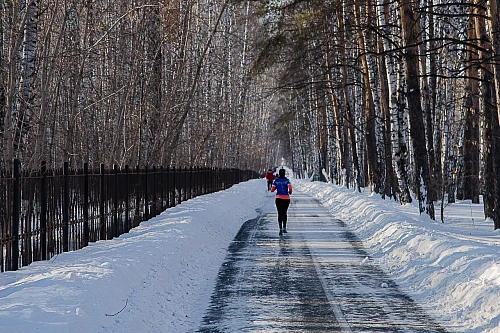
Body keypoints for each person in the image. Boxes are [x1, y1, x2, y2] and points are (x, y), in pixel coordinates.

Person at [270, 168, 292, 235]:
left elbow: (272, 190)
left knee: (280, 213)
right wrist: (289, 192)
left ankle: (280, 229)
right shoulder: (287, 180)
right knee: (284, 212)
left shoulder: (276, 181)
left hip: (278, 198)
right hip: (286, 199)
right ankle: (284, 228)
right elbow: (290, 188)